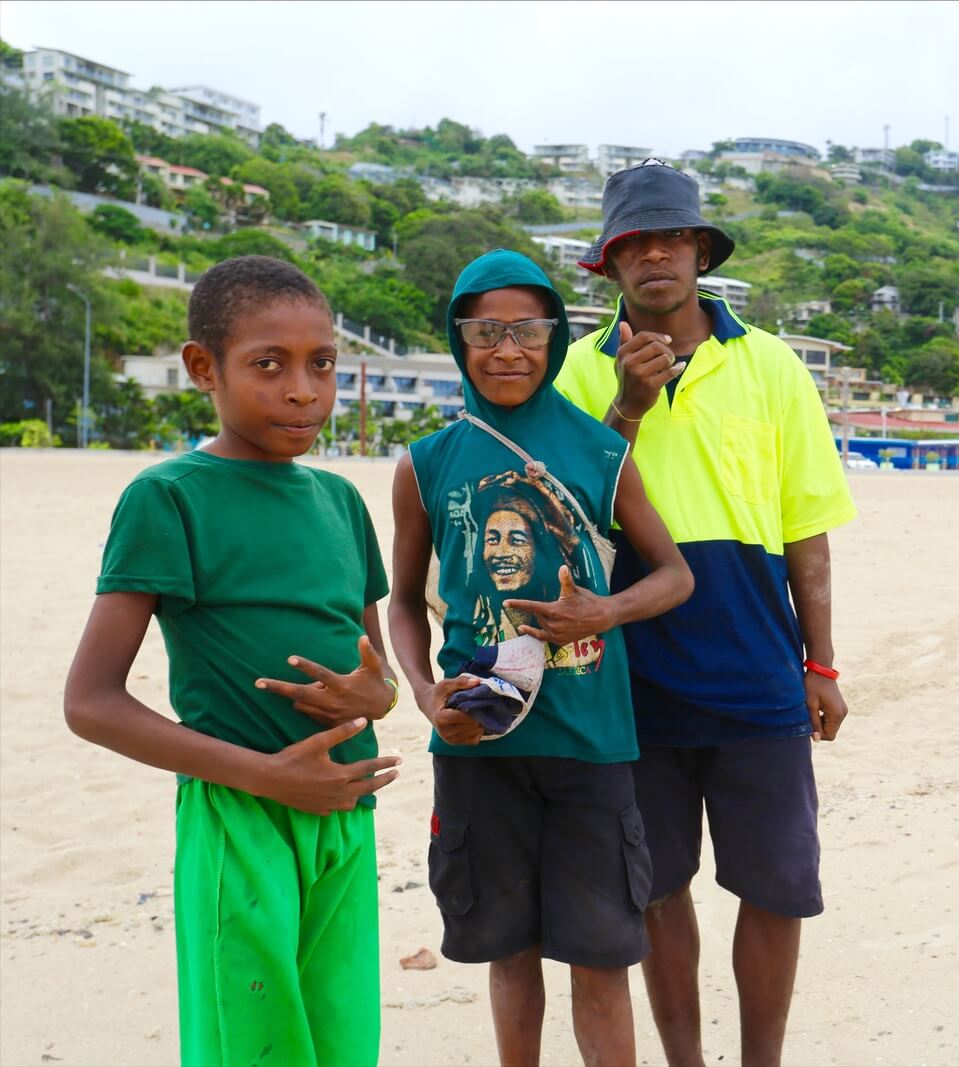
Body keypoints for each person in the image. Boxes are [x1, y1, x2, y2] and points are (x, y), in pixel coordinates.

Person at [63, 255, 403, 1066]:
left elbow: (381, 678)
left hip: (345, 818)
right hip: (238, 816)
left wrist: (376, 695)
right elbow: (90, 701)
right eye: (268, 364)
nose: (302, 389)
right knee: (251, 1041)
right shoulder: (171, 496)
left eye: (321, 363)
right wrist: (263, 774)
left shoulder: (340, 502)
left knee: (341, 1041)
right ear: (201, 367)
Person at [556, 160, 857, 1066]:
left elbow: (805, 530)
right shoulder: (573, 371)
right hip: (630, 679)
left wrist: (824, 663)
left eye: (672, 238)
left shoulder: (770, 366)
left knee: (776, 886)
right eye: (633, 243)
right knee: (658, 888)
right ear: (609, 264)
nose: (655, 255)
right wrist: (631, 405)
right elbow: (565, 513)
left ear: (699, 252)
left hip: (759, 667)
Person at [387, 249, 694, 1065]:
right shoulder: (426, 461)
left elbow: (674, 575)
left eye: (526, 330)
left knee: (601, 958)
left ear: (555, 337)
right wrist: (423, 693)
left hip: (590, 741)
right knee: (507, 954)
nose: (506, 349)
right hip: (477, 741)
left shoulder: (600, 450)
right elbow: (404, 602)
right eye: (484, 331)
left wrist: (603, 610)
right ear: (459, 340)